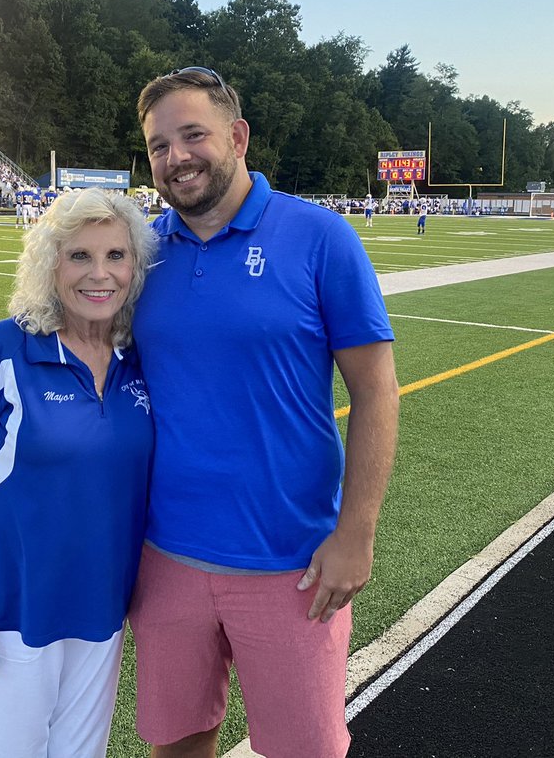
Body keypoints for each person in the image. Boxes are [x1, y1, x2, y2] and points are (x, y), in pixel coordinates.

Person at [129, 67, 400, 758]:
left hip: (291, 563)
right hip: (165, 559)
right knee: (177, 743)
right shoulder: (141, 252)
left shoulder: (319, 237)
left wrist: (356, 534)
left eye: (193, 135)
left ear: (238, 136)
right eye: (160, 145)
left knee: (304, 750)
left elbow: (376, 391)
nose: (176, 157)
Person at [0, 187, 157, 758]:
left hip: (103, 603)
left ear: (135, 266)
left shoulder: (142, 358)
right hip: (14, 603)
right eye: (79, 256)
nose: (99, 274)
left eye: (115, 256)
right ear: (50, 264)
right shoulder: (7, 349)